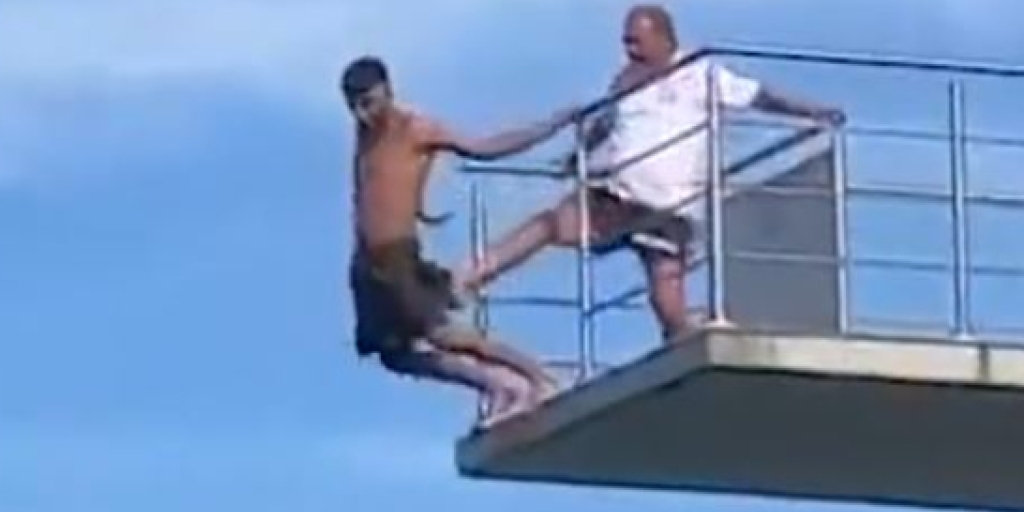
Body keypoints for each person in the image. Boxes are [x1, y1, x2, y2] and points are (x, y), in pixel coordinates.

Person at [452, 4, 845, 342]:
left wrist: (811, 111)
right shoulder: (625, 81)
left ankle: (683, 344)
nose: (630, 50)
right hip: (619, 192)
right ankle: (467, 277)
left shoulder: (701, 72)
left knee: (665, 291)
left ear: (663, 38)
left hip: (670, 203)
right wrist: (577, 156)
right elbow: (605, 124)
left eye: (636, 41)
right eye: (626, 42)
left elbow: (761, 96)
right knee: (549, 224)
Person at [342, 55, 578, 428]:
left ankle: (539, 376)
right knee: (393, 353)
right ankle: (495, 386)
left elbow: (486, 147)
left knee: (442, 333)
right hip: (368, 262)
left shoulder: (416, 128)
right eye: (353, 106)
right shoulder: (364, 137)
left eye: (367, 103)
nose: (361, 114)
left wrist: (550, 126)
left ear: (387, 91)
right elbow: (365, 193)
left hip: (398, 254)